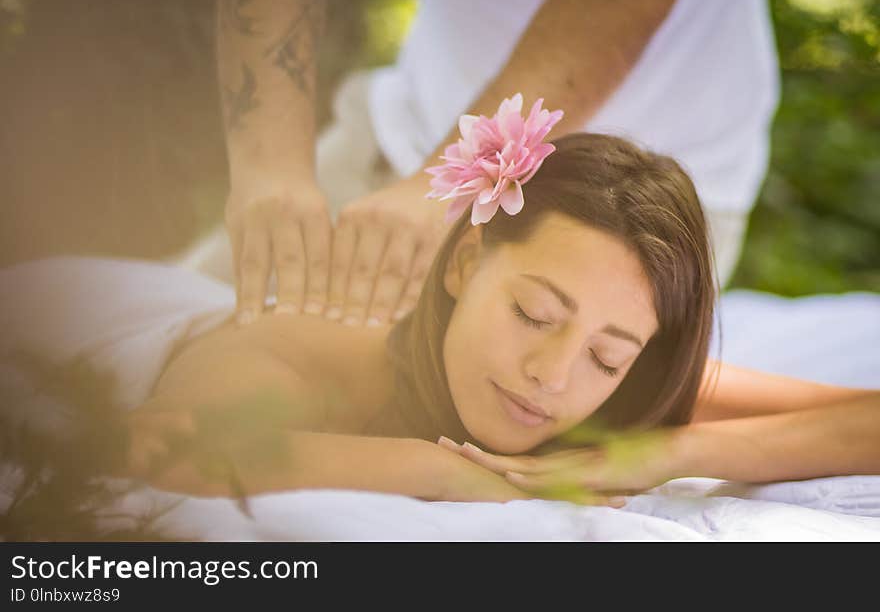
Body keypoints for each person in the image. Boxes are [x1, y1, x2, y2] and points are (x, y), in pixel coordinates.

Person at [123, 127, 879, 505]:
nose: (552, 375)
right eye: (533, 312)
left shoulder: (613, 383)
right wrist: (443, 473)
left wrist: (661, 455)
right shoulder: (298, 364)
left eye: (609, 357)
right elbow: (157, 450)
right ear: (461, 263)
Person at [211, 0, 779, 329]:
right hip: (398, 138)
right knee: (161, 346)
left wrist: (455, 181)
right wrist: (270, 169)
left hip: (636, 212)